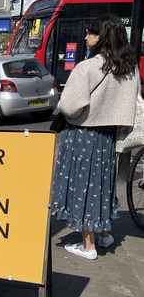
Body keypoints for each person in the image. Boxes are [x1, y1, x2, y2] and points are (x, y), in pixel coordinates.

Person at [51, 18, 139, 260]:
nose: (86, 38)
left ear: (101, 38)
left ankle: (88, 245)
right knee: (102, 184)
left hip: (82, 135)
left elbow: (69, 106)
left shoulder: (87, 67)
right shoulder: (128, 68)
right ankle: (105, 233)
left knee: (82, 186)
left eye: (90, 34)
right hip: (107, 136)